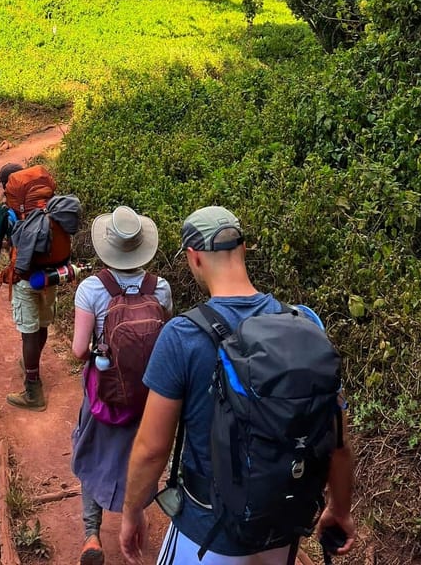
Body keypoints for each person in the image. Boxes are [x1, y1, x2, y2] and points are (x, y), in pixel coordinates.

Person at [119, 206, 356, 565]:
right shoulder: (304, 322)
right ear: (244, 249)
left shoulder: (182, 336)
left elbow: (152, 449)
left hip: (207, 531)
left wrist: (132, 510)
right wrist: (340, 508)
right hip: (283, 525)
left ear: (193, 258)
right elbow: (338, 440)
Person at [71, 206, 173, 565]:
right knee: (141, 454)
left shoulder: (91, 289)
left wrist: (103, 355)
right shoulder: (159, 287)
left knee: (92, 455)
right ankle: (138, 518)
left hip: (105, 395)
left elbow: (78, 350)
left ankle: (91, 536)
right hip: (148, 393)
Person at [0, 161, 57, 412]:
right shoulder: (48, 205)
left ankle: (33, 390)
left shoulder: (5, 212)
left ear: (6, 186)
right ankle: (31, 363)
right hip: (50, 275)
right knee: (42, 324)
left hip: (24, 277)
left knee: (28, 331)